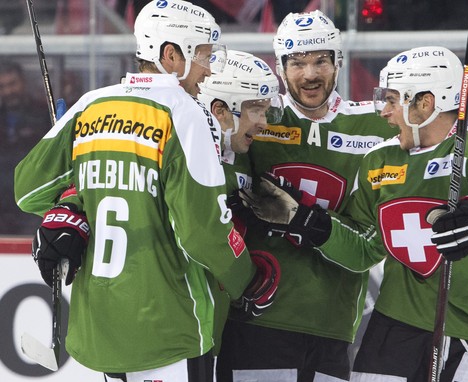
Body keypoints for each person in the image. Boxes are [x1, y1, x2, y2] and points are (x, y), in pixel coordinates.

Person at [216, 10, 468, 382]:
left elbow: (443, 130)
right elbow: (215, 117)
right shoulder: (258, 120)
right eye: (297, 62)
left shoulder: (375, 129)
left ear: (338, 62)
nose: (310, 74)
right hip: (262, 319)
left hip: (344, 326)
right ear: (279, 66)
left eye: (321, 60)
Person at [13, 1, 279, 381]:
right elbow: (202, 232)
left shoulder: (92, 103)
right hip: (169, 329)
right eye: (203, 55)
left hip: (101, 331)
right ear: (171, 54)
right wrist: (245, 280)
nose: (208, 70)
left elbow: (27, 190)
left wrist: (74, 199)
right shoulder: (185, 114)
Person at [197, 49, 282, 355]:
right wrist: (245, 279)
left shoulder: (239, 156)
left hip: (212, 327)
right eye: (255, 110)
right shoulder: (179, 151)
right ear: (220, 109)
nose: (263, 123)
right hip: (171, 325)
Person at [0, 60, 51, 235]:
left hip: (32, 199)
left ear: (23, 81)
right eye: (2, 86)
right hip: (3, 202)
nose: (8, 91)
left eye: (12, 84)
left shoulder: (43, 114)